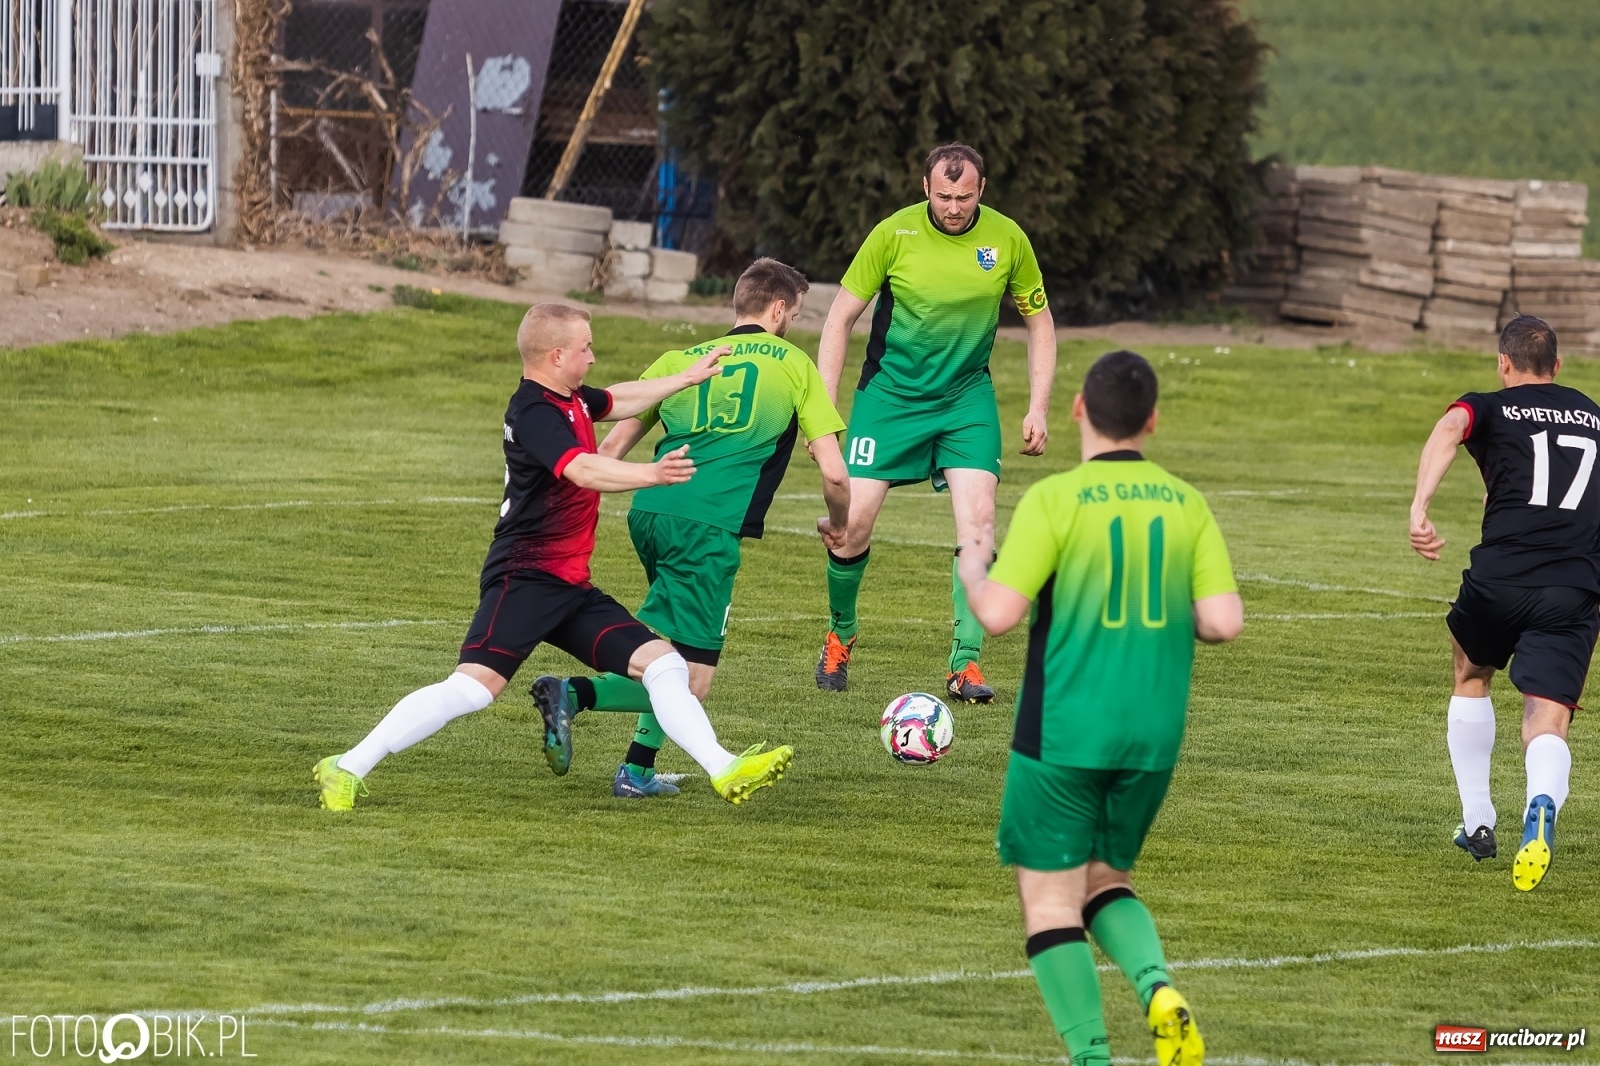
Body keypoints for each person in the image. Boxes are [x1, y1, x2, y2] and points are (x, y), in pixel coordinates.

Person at [312, 302, 793, 810]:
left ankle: (725, 768)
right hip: (524, 578)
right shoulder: (535, 412)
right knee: (473, 691)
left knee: (665, 665)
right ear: (558, 354)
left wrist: (686, 378)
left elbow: (621, 398)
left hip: (570, 588)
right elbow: (583, 469)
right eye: (585, 347)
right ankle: (345, 767)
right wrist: (652, 474)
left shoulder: (571, 397)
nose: (593, 355)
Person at [957, 350, 1242, 1066]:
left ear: (1078, 408)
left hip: (1064, 730)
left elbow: (996, 615)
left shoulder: (1056, 499)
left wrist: (972, 558)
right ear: (1152, 422)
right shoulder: (1187, 503)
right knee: (1104, 881)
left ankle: (1091, 1058)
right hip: (1151, 736)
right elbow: (1223, 622)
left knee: (1049, 901)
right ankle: (1156, 987)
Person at [543, 258, 851, 798]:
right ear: (778, 309)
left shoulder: (680, 359)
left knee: (671, 653)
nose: (793, 323)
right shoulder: (795, 365)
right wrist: (839, 523)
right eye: (795, 314)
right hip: (706, 528)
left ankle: (637, 771)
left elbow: (610, 449)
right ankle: (573, 694)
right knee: (690, 679)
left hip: (649, 514)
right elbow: (834, 471)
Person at [813, 142, 1057, 703]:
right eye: (943, 196)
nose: (953, 206)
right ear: (925, 188)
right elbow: (839, 319)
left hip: (965, 400)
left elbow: (1039, 322)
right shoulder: (892, 235)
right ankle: (840, 633)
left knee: (979, 526)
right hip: (890, 398)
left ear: (982, 191)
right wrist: (824, 415)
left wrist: (1038, 406)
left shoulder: (1007, 239)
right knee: (851, 527)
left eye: (964, 196)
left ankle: (965, 664)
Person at [1410, 314, 1598, 891]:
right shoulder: (1591, 414)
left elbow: (1449, 429)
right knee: (1547, 715)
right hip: (1573, 586)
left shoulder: (1487, 406)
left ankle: (1477, 819)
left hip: (1500, 577)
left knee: (1470, 671)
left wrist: (1419, 507)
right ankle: (1540, 804)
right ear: (1558, 368)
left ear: (1503, 363)